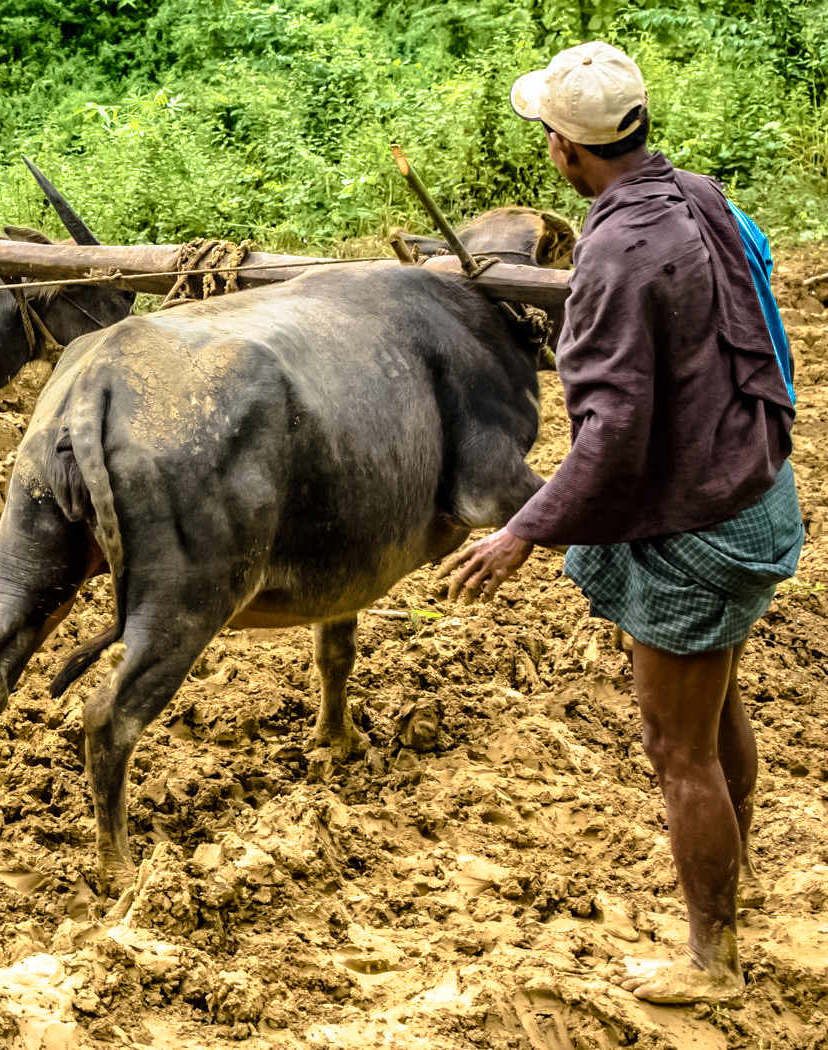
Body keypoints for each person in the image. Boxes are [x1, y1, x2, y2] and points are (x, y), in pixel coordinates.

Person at [442, 42, 801, 1004]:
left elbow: (609, 439)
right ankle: (731, 885)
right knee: (715, 704)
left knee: (674, 746)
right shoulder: (704, 196)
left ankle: (712, 961)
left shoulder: (611, 256)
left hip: (704, 521)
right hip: (759, 486)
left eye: (547, 133)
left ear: (565, 150)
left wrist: (521, 531)